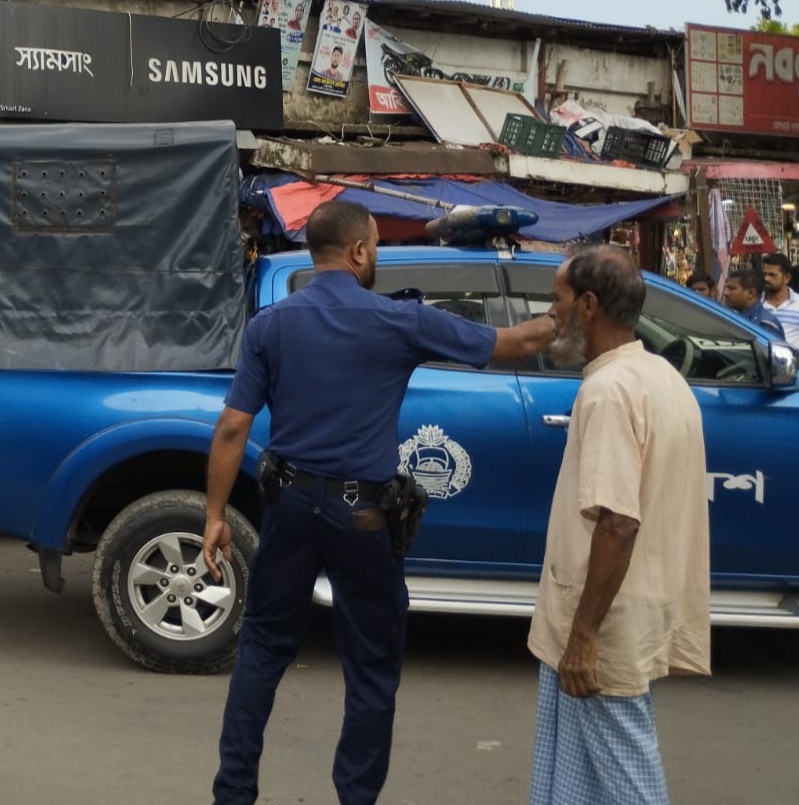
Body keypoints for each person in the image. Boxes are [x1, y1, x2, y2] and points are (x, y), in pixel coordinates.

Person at [201, 200, 557, 805]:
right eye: (376, 247)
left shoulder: (271, 325)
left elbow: (233, 428)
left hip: (287, 505)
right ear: (361, 250)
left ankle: (233, 795)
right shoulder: (399, 321)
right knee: (369, 670)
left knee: (262, 650)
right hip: (363, 518)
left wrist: (213, 517)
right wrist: (575, 303)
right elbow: (517, 345)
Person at [527, 245, 710, 805]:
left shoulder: (608, 392)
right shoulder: (658, 374)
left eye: (556, 302)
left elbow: (618, 524)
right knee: (577, 779)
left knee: (630, 786)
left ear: (587, 305)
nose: (549, 315)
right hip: (622, 613)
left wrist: (584, 637)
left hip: (602, 625)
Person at [722, 268, 785, 338]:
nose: (726, 293)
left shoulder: (764, 323)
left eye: (732, 289)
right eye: (726, 288)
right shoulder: (731, 316)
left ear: (750, 293)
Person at [760, 252, 799, 349]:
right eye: (764, 274)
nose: (766, 278)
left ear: (786, 278)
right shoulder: (755, 303)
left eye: (772, 275)